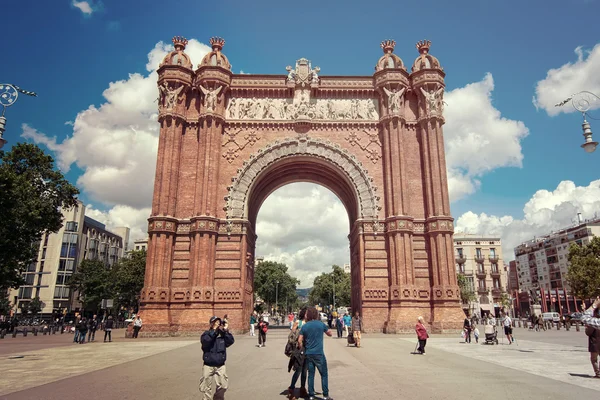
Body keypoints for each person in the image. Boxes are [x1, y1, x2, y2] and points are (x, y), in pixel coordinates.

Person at [299, 307, 333, 400]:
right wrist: (330, 332)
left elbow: (299, 340)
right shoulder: (321, 324)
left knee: (311, 374)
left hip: (309, 354)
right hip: (319, 354)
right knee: (324, 374)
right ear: (316, 314)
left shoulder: (305, 326)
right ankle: (325, 395)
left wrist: (302, 346)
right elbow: (329, 334)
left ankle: (311, 395)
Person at [200, 316, 235, 400]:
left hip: (220, 364)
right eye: (215, 322)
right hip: (208, 364)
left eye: (218, 322)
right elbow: (205, 342)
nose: (217, 324)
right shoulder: (206, 334)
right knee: (206, 386)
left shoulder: (222, 335)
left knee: (223, 385)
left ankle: (217, 398)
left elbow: (230, 341)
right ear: (211, 324)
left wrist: (226, 330)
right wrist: (214, 332)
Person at [287, 308, 308, 400]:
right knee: (298, 370)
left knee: (304, 371)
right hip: (299, 349)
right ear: (304, 314)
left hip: (307, 348)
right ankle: (291, 388)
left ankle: (302, 388)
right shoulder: (298, 322)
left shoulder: (309, 323)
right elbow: (291, 335)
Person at [582, 297, 600, 379]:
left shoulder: (596, 321)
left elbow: (584, 318)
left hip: (595, 343)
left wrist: (594, 305)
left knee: (594, 359)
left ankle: (598, 373)